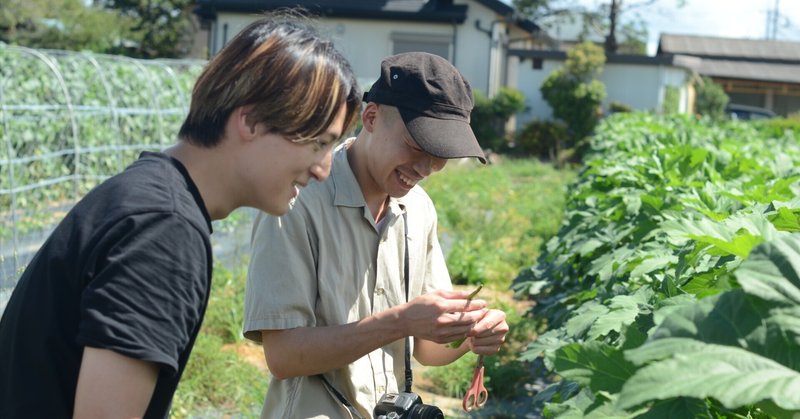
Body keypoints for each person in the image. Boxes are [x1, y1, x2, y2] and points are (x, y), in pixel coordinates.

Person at [0, 15, 361, 418]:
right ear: (252, 120)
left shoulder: (147, 197)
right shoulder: (163, 234)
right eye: (318, 143)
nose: (324, 168)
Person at [244, 52, 510, 418]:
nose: (425, 169)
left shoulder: (418, 209)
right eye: (417, 147)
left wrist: (471, 334)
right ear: (370, 117)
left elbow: (427, 349)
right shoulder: (297, 200)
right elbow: (284, 356)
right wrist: (399, 322)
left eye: (440, 156)